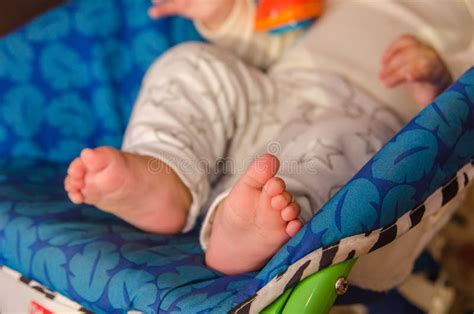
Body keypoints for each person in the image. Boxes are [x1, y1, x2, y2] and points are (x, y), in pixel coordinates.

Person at [64, 0, 473, 290]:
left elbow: (457, 130)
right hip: (273, 93)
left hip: (365, 120)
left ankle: (244, 230)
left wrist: (435, 80)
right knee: (192, 62)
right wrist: (224, 15)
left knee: (330, 148)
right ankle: (164, 171)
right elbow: (277, 39)